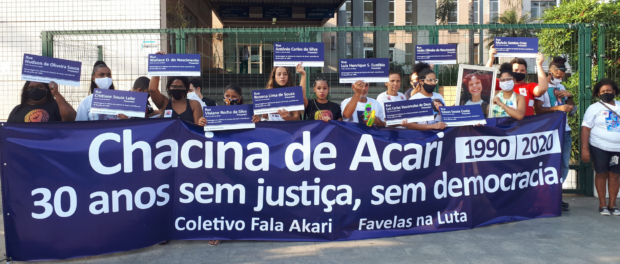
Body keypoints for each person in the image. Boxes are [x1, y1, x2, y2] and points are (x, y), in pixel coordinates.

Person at [533, 57, 575, 211]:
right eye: (558, 75)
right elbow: (538, 110)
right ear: (550, 72)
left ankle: (556, 195)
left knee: (563, 165)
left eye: (562, 75)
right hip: (549, 132)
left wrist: (569, 97)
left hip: (565, 131)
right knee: (547, 165)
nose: (560, 78)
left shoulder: (562, 86)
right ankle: (544, 196)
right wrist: (558, 109)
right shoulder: (542, 87)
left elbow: (570, 109)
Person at [581, 79, 620, 216]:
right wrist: (585, 149)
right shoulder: (594, 108)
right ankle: (602, 204)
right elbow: (585, 129)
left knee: (615, 175)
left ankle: (613, 205)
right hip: (599, 146)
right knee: (601, 174)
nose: (606, 93)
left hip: (618, 148)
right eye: (603, 91)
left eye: (609, 90)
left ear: (614, 91)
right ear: (598, 93)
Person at [486, 45, 549, 116]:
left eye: (522, 70)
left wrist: (539, 65)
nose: (519, 72)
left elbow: (543, 88)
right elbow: (485, 80)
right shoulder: (502, 83)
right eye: (516, 70)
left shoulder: (529, 86)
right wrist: (491, 59)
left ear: (526, 72)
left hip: (526, 124)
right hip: (505, 124)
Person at [148, 51, 206, 126]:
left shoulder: (194, 104)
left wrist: (201, 123)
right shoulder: (164, 103)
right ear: (169, 88)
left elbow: (197, 129)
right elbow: (152, 90)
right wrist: (157, 63)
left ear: (186, 88)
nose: (177, 89)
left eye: (181, 86)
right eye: (174, 86)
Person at [401, 65, 446, 130]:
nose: (433, 83)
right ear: (421, 81)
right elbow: (410, 125)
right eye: (430, 80)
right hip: (422, 138)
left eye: (435, 80)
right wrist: (432, 126)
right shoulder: (413, 99)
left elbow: (444, 117)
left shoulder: (439, 96)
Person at [8, 81, 76, 122]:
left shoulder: (56, 105)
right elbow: (8, 132)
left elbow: (71, 117)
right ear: (26, 91)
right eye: (31, 87)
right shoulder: (17, 110)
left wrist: (56, 93)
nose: (35, 90)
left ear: (47, 90)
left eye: (40, 86)